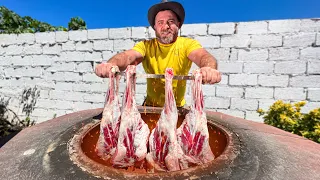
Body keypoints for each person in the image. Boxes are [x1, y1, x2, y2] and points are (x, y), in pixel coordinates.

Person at [95, 1, 221, 107]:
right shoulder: (146, 46)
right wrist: (111, 64)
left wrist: (208, 68)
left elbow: (203, 56)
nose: (165, 26)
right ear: (155, 27)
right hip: (150, 107)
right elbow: (127, 57)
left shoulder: (187, 44)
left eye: (170, 21)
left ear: (178, 25)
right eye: (160, 22)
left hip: (177, 108)